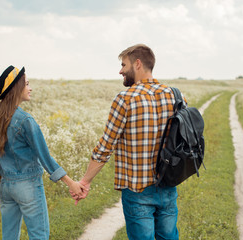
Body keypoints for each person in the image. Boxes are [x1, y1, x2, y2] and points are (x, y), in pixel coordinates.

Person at [72, 44, 180, 239]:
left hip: (137, 191)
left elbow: (105, 148)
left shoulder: (125, 99)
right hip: (168, 187)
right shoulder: (174, 95)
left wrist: (85, 182)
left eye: (124, 64)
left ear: (137, 64)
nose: (120, 70)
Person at [0, 65, 86, 240]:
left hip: (6, 187)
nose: (30, 88)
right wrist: (71, 183)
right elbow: (45, 156)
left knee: (9, 237)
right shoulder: (25, 120)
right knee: (39, 236)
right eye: (26, 84)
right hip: (28, 186)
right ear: (16, 89)